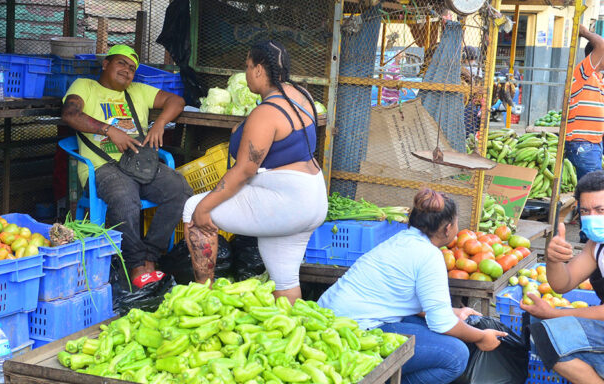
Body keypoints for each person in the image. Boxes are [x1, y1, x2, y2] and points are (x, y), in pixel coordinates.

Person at [181, 40, 327, 302]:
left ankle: (203, 300)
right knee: (284, 279)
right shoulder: (301, 95)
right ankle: (291, 328)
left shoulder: (267, 112)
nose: (246, 72)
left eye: (248, 67)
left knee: (193, 208)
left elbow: (244, 172)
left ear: (259, 70)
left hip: (286, 202)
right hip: (313, 197)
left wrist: (205, 207)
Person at [317, 188, 506, 384]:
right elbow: (442, 323)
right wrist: (482, 337)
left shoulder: (400, 240)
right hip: (353, 334)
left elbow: (406, 299)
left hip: (331, 320)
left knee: (447, 329)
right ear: (448, 228)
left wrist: (453, 311)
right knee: (457, 355)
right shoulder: (429, 255)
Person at [60, 44, 192, 288]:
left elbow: (177, 100)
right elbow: (70, 114)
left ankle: (151, 257)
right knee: (124, 196)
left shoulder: (138, 91)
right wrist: (109, 130)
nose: (127, 70)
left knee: (180, 189)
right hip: (102, 167)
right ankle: (135, 265)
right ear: (106, 64)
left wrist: (160, 123)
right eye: (121, 63)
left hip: (139, 164)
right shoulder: (84, 86)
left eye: (132, 68)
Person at [523, 170, 604, 384]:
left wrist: (554, 313)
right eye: (586, 211)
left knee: (547, 332)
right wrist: (553, 259)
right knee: (537, 327)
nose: (592, 217)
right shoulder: (596, 245)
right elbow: (562, 283)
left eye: (600, 209)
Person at [565, 25, 604, 184]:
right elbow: (601, 46)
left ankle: (582, 208)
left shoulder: (598, 79)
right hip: (582, 144)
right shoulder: (583, 73)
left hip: (594, 145)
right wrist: (585, 33)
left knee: (590, 191)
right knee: (594, 190)